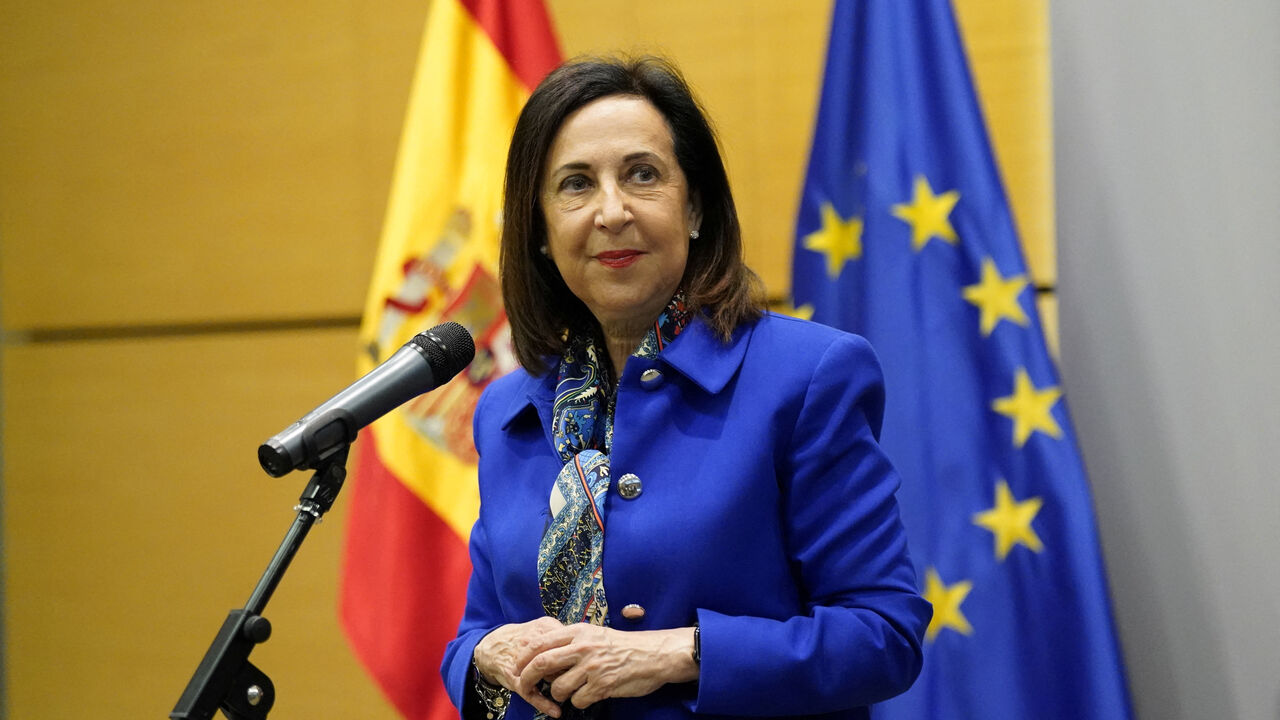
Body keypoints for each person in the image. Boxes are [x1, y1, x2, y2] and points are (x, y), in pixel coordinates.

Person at [441, 56, 931, 720]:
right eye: (576, 185)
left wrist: (676, 654)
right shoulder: (508, 407)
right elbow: (479, 629)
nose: (611, 212)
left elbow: (884, 634)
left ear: (694, 206)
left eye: (642, 175)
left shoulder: (807, 376)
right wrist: (487, 655)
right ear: (540, 232)